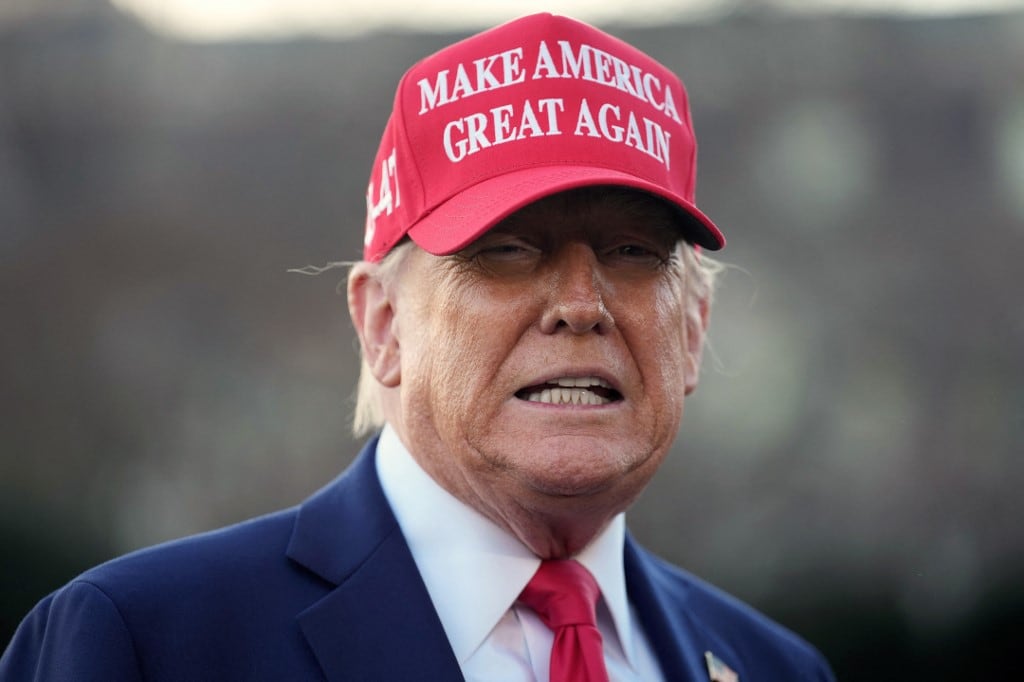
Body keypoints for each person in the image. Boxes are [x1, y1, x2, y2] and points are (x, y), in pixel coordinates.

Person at [1, 13, 835, 681]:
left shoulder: (778, 667)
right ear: (383, 326)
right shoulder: (144, 645)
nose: (582, 305)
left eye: (633, 254)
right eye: (507, 252)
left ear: (691, 335)